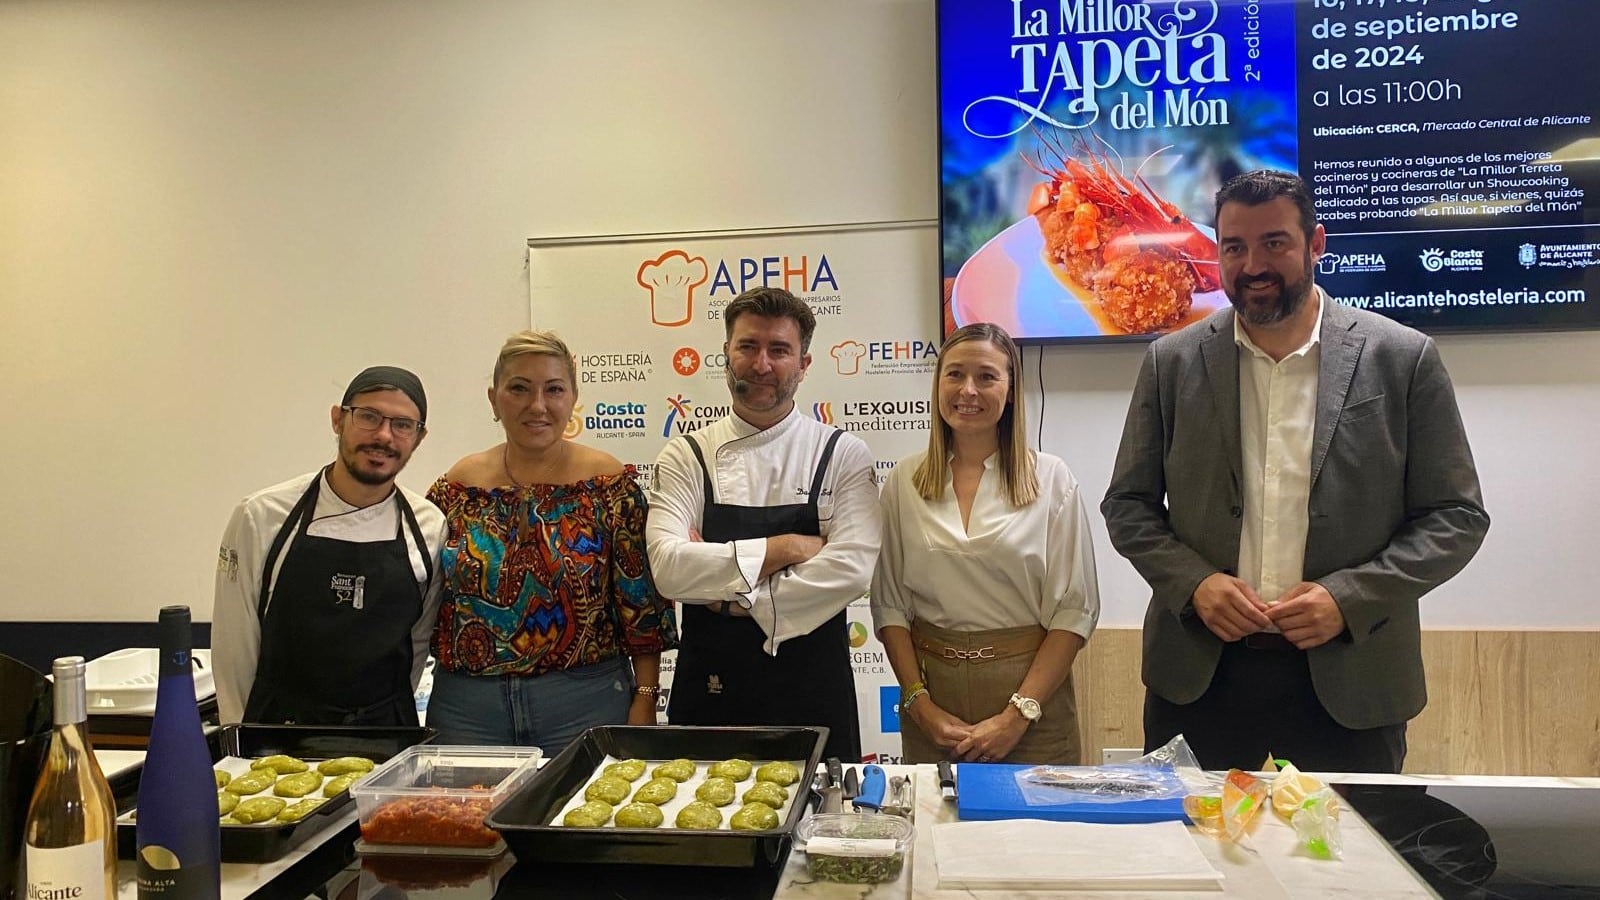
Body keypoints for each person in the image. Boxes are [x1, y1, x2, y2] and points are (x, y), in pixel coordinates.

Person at [1101, 170, 1490, 773]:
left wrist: (1348, 598)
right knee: (1198, 861)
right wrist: (1195, 584)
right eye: (1234, 246)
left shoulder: (1402, 358)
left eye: (1274, 243)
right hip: (1201, 681)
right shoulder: (1171, 362)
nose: (1253, 264)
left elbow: (1457, 517)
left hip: (1350, 680)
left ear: (1315, 243)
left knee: (1348, 863)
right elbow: (1127, 504)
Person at [646, 286, 880, 762]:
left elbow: (852, 570)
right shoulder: (686, 455)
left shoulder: (842, 454)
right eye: (747, 346)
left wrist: (727, 597)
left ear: (804, 364)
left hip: (814, 687)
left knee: (821, 826)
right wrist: (790, 547)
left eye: (779, 350)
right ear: (726, 355)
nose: (762, 364)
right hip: (710, 684)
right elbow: (669, 569)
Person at [425, 331, 677, 755]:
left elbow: (642, 609)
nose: (537, 405)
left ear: (573, 397)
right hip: (468, 710)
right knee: (464, 822)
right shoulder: (457, 489)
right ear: (494, 399)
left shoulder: (608, 486)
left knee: (583, 820)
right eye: (519, 388)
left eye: (553, 389)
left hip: (585, 702)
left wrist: (646, 698)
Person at [872, 324, 1100, 765]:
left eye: (987, 377)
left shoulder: (1051, 480)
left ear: (1011, 390)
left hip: (1030, 699)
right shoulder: (904, 482)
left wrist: (1016, 717)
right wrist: (919, 703)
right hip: (932, 698)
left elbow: (1075, 611)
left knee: (1034, 831)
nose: (968, 390)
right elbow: (890, 606)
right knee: (937, 830)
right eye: (954, 375)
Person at [213, 366, 446, 726]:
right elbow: (235, 644)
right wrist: (240, 739)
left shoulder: (429, 526)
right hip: (278, 736)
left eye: (402, 425)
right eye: (369, 417)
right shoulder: (262, 515)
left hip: (385, 735)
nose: (384, 436)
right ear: (338, 419)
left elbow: (417, 644)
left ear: (419, 437)